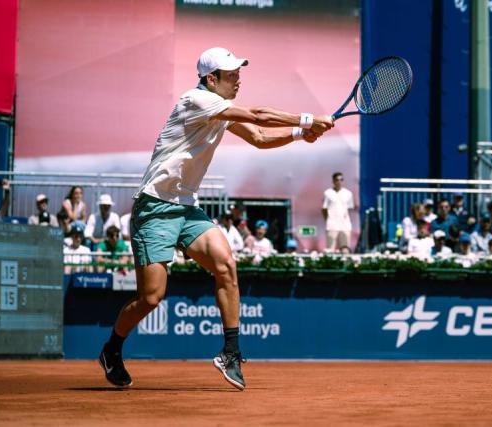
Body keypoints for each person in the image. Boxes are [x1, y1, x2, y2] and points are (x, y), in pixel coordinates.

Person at [98, 46, 334, 390]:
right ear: (212, 79)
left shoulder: (220, 111)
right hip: (154, 207)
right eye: (232, 75)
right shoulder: (196, 100)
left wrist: (300, 134)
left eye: (239, 74)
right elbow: (259, 115)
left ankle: (231, 352)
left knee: (226, 264)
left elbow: (259, 138)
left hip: (187, 208)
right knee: (151, 297)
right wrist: (307, 120)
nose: (238, 80)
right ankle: (112, 349)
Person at [322, 172, 354, 252]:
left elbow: (349, 208)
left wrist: (344, 218)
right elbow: (324, 208)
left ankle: (346, 264)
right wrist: (328, 220)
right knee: (330, 249)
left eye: (341, 180)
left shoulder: (348, 193)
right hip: (332, 224)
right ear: (333, 181)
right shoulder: (328, 193)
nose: (339, 182)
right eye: (337, 180)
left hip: (345, 225)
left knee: (345, 248)